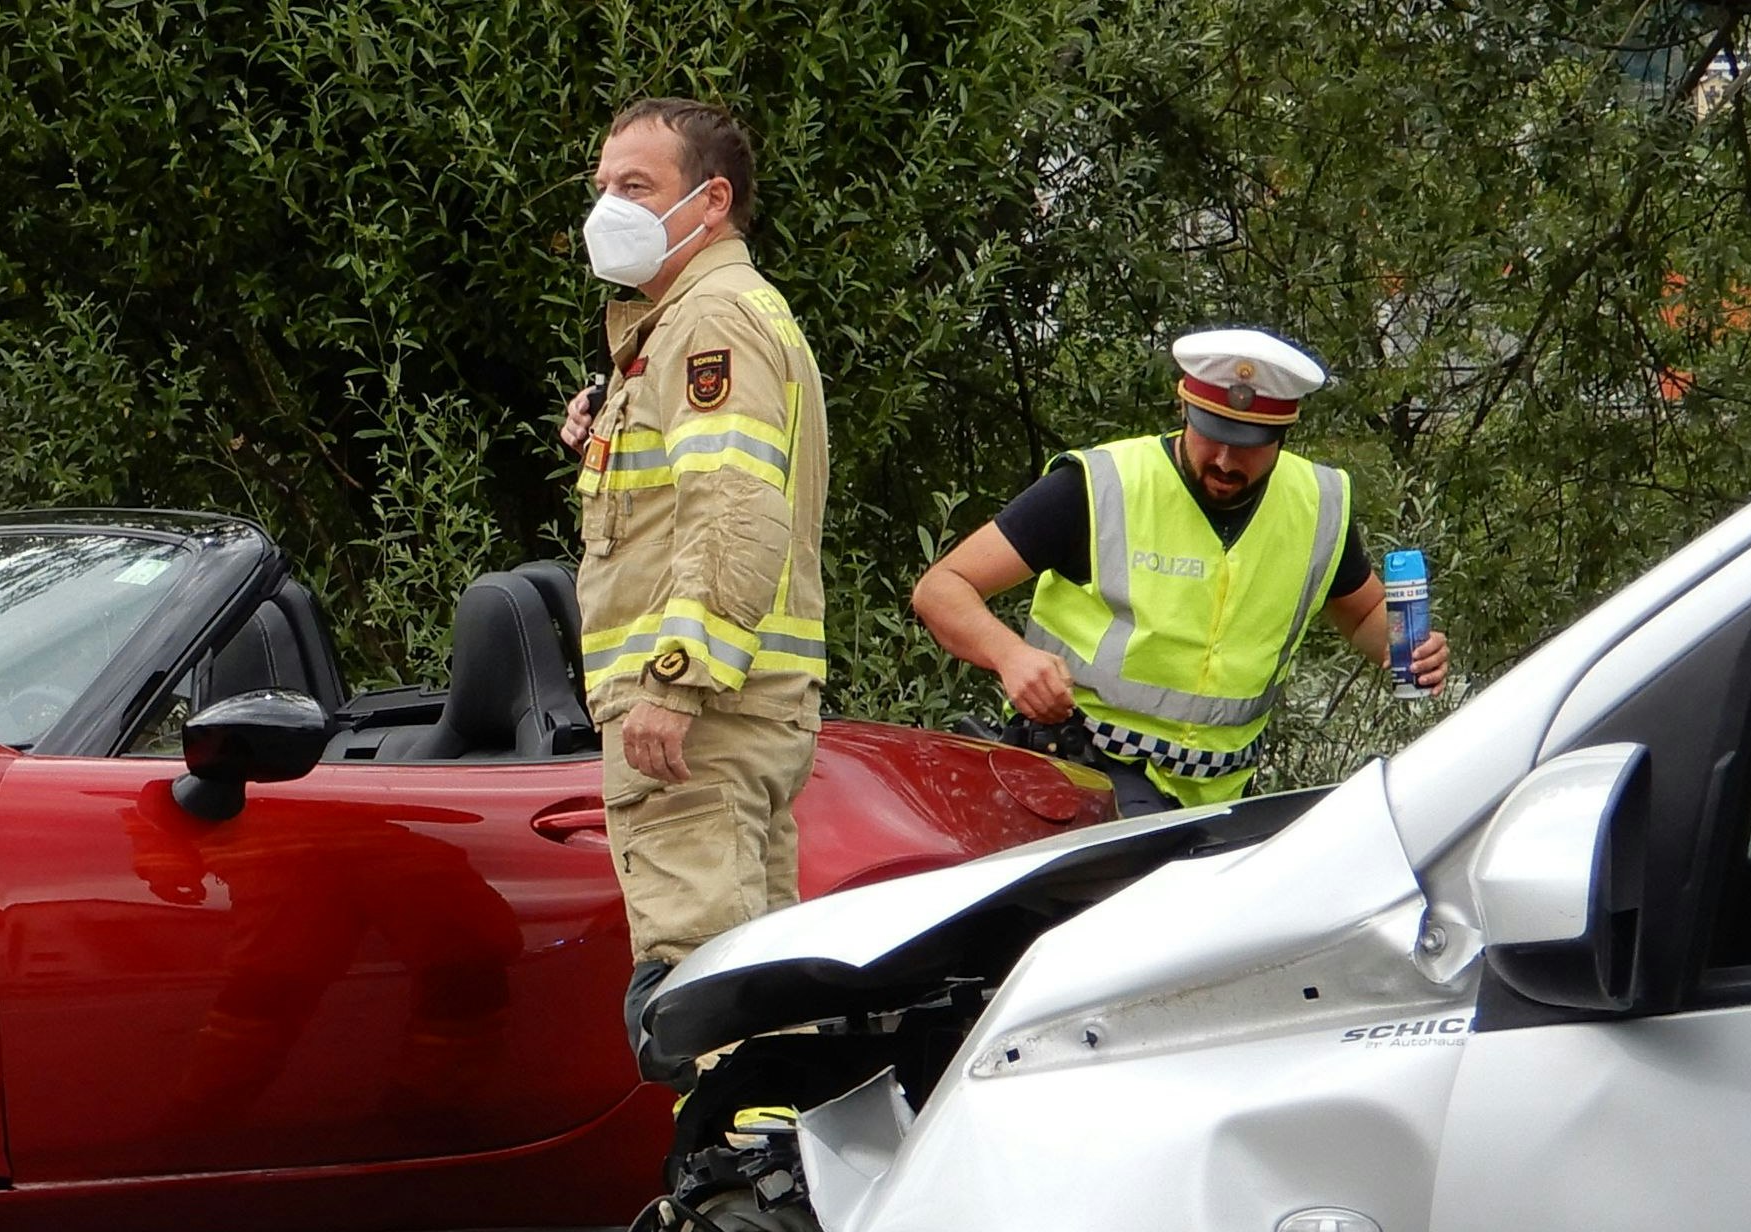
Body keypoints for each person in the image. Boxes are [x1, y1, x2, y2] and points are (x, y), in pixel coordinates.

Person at [556, 97, 826, 1061]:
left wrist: (675, 683)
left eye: (636, 187)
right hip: (736, 710)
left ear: (710, 202)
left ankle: (740, 1204)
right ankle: (771, 1197)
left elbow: (735, 512)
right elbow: (688, 497)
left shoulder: (707, 322)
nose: (607, 209)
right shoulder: (686, 327)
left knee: (707, 999)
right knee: (756, 993)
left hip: (696, 721)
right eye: (601, 188)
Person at [910, 328, 1448, 813]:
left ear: (1282, 434)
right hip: (1080, 773)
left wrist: (1407, 646)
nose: (1224, 461)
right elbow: (941, 589)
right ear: (1184, 409)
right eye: (1210, 433)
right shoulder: (1102, 485)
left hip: (1217, 804)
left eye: (1248, 446)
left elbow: (1365, 615)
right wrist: (1011, 657)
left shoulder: (1318, 505)